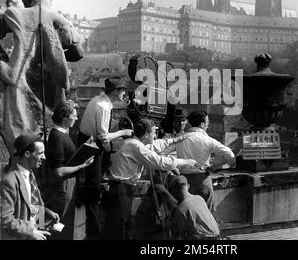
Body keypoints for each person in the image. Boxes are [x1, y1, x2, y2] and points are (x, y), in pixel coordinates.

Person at [0, 0, 83, 154]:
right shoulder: (57, 17)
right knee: (51, 134)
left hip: (19, 80)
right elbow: (78, 52)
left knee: (22, 137)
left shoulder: (14, 13)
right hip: (51, 85)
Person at [104, 118, 197, 240]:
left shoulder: (135, 143)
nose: (155, 135)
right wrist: (185, 162)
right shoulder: (134, 146)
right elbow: (158, 161)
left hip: (123, 188)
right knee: (122, 225)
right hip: (121, 189)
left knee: (123, 223)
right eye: (153, 132)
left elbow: (154, 145)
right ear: (146, 134)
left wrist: (174, 140)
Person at [77, 76, 132, 239]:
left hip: (89, 140)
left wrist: (107, 149)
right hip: (91, 143)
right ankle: (93, 226)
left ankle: (94, 217)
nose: (124, 94)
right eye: (122, 91)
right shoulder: (103, 107)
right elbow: (103, 137)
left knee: (96, 179)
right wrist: (123, 133)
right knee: (93, 184)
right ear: (116, 91)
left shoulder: (99, 100)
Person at [45, 100, 94, 239]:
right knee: (57, 221)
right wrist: (82, 165)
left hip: (67, 185)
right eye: (74, 115)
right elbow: (58, 171)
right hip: (62, 188)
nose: (76, 118)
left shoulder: (62, 133)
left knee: (62, 222)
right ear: (64, 117)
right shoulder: (57, 137)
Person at [1, 131, 60, 240]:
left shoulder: (30, 174)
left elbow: (31, 203)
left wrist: (46, 212)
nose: (44, 157)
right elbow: (5, 220)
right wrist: (30, 232)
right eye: (40, 153)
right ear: (27, 154)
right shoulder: (9, 181)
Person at [175, 110, 235, 212]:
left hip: (184, 183)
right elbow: (230, 155)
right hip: (202, 180)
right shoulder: (208, 140)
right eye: (207, 123)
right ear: (202, 124)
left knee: (188, 213)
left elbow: (163, 155)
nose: (208, 126)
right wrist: (214, 166)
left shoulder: (179, 139)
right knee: (207, 214)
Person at [168, 175, 221, 240]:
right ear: (188, 186)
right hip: (218, 236)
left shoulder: (181, 210)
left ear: (173, 190)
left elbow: (177, 234)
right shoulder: (199, 198)